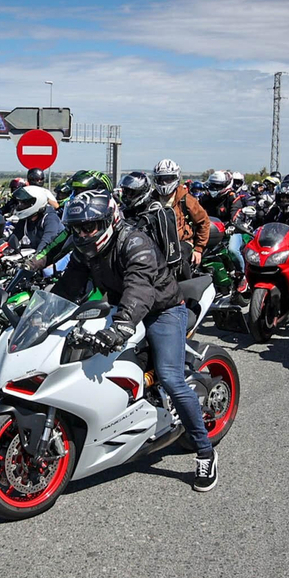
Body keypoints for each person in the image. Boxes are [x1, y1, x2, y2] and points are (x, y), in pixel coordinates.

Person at [52, 191, 217, 492]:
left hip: (162, 309)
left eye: (89, 226)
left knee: (170, 378)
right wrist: (41, 313)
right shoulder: (85, 249)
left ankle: (205, 451)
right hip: (121, 307)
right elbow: (68, 286)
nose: (82, 233)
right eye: (76, 227)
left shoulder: (135, 243)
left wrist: (122, 325)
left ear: (109, 220)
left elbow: (140, 288)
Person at [117, 171, 186, 271]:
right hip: (128, 262)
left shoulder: (153, 213)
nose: (127, 196)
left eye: (131, 193)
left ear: (142, 192)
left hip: (151, 268)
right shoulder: (127, 211)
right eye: (125, 192)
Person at [154, 159, 211, 271]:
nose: (165, 182)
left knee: (180, 264)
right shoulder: (152, 198)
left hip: (182, 242)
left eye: (168, 178)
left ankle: (185, 287)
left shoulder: (186, 200)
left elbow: (204, 222)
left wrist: (199, 249)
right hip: (157, 243)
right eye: (161, 179)